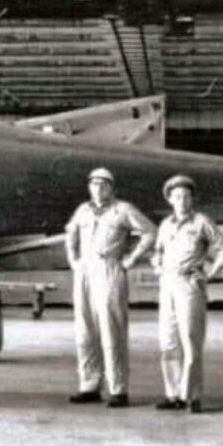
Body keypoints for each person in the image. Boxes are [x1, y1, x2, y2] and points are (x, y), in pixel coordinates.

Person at [65, 167, 156, 408]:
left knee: (111, 328)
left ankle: (118, 389)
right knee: (85, 330)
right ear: (89, 187)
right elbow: (70, 233)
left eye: (104, 185)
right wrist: (73, 260)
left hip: (109, 268)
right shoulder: (83, 211)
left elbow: (149, 232)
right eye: (94, 184)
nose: (99, 189)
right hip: (85, 270)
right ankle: (89, 385)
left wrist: (131, 259)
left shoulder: (123, 210)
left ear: (112, 188)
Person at [151, 174, 223, 414]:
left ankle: (192, 396)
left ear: (192, 199)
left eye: (186, 196)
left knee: (190, 339)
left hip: (189, 285)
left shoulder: (201, 222)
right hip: (167, 284)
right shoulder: (165, 225)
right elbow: (157, 251)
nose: (182, 201)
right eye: (177, 197)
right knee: (167, 342)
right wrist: (157, 264)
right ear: (170, 200)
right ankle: (173, 394)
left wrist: (209, 273)